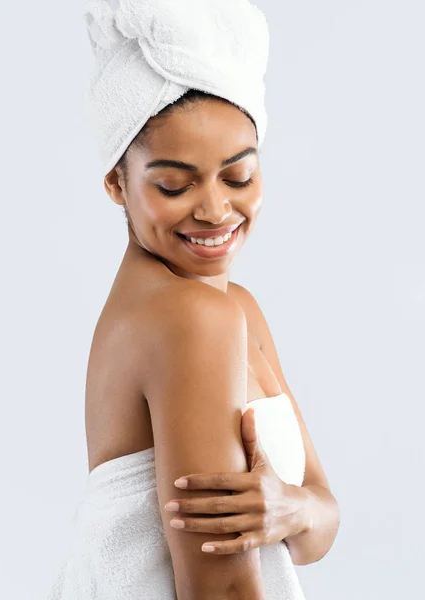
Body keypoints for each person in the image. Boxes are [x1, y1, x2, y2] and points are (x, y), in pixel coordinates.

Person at [47, 1, 340, 599]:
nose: (214, 210)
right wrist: (301, 513)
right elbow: (221, 588)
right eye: (174, 185)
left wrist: (291, 510)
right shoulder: (189, 318)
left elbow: (320, 525)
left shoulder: (237, 309)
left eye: (238, 177)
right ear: (116, 183)